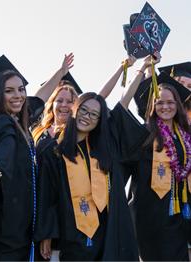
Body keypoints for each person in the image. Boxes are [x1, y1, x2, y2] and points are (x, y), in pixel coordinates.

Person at [33, 56, 137, 260]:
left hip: (102, 232)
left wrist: (139, 71)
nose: (86, 116)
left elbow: (118, 104)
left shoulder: (102, 149)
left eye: (93, 115)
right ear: (75, 110)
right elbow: (48, 193)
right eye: (83, 111)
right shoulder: (54, 150)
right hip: (68, 231)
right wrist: (47, 233)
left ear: (99, 121)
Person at [0, 53, 74, 261]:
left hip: (18, 223)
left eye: (21, 89)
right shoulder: (2, 122)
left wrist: (61, 72)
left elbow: (39, 98)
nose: (18, 96)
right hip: (4, 226)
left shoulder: (20, 120)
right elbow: (6, 146)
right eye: (9, 91)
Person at [121, 56, 191, 260]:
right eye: (160, 103)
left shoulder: (186, 137)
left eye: (171, 102)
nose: (165, 107)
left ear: (178, 105)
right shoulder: (142, 133)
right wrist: (144, 68)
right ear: (152, 104)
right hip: (148, 216)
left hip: (179, 217)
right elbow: (121, 111)